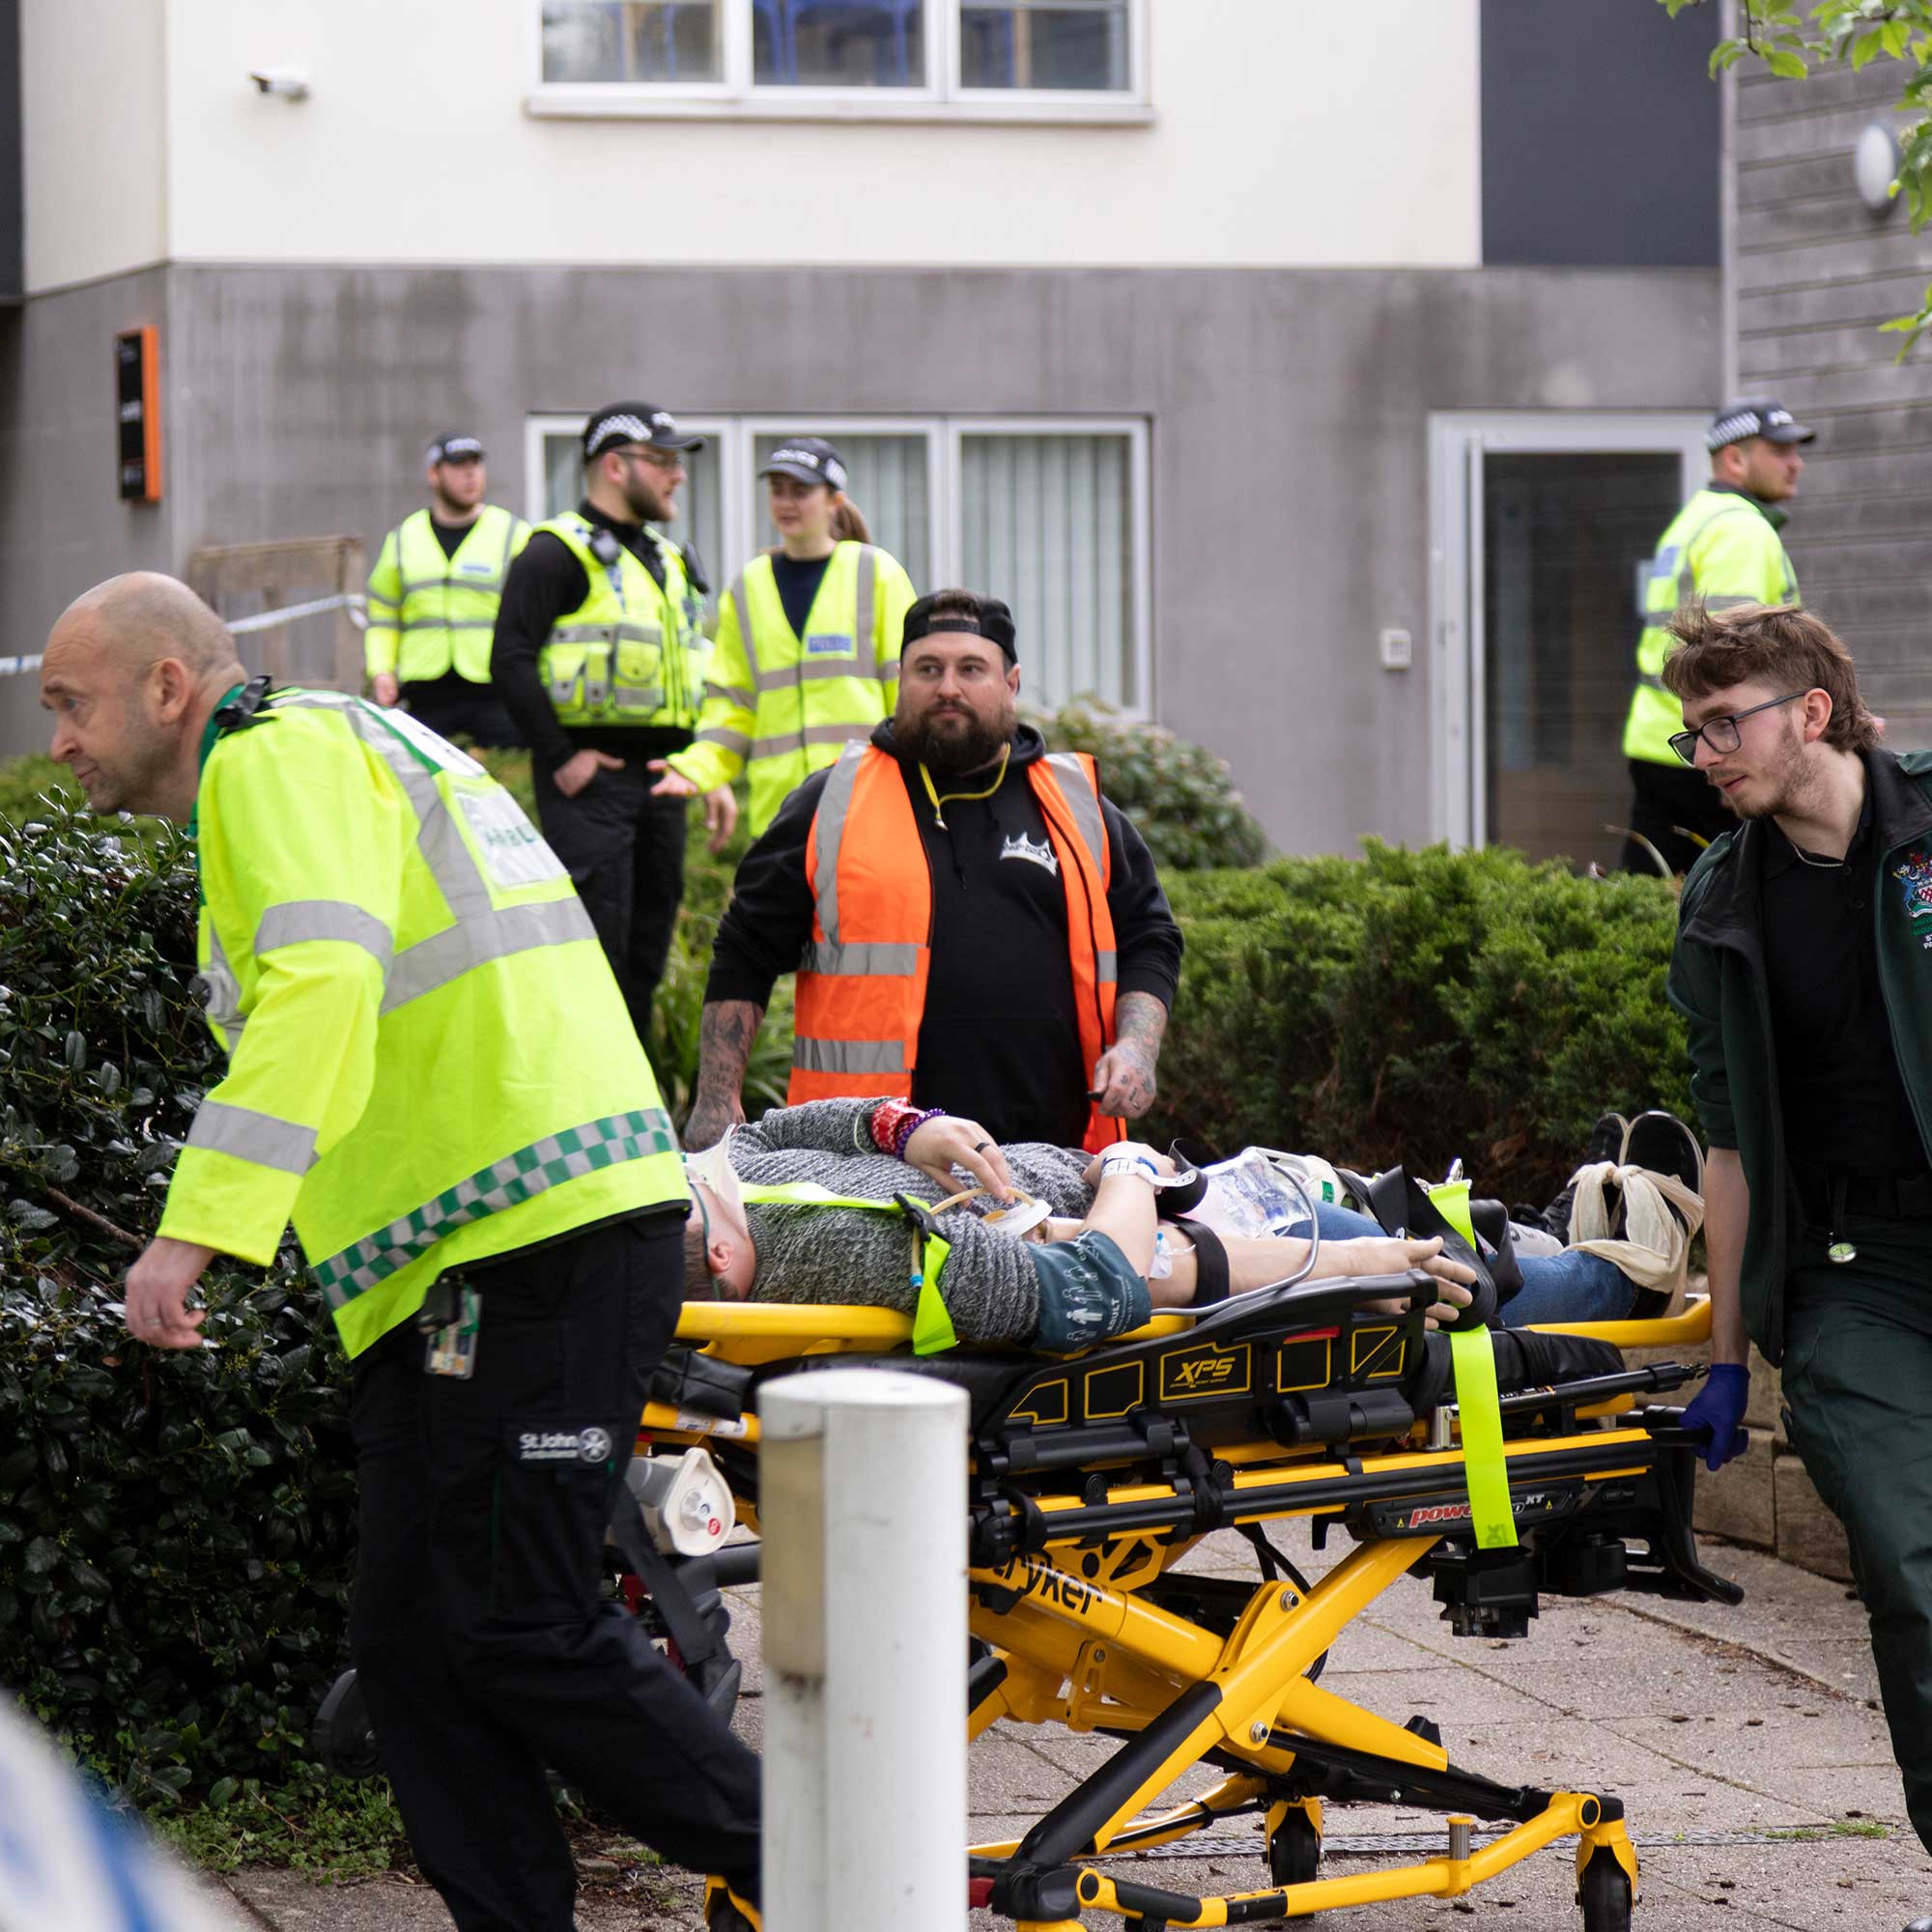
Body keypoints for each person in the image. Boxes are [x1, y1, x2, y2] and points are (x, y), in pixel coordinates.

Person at [39, 574, 761, 1932]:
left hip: (530, 1244)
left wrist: (191, 1236)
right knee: (416, 1642)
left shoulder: (269, 762)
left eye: (70, 704)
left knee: (523, 1624)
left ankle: (833, 1878)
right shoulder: (340, 746)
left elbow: (323, 984)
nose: (59, 740)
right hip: (466, 1266)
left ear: (167, 689)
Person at [1661, 602, 1932, 1923]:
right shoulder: (1725, 903)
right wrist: (1724, 1351)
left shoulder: (1930, 826)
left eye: (1728, 722)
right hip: (1853, 1274)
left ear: (1810, 713)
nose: (1707, 751)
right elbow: (1728, 1141)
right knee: (1913, 1561)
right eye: (1693, 728)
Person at [685, 588, 1182, 1154]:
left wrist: (1139, 1046)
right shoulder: (832, 803)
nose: (949, 687)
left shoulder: (1078, 807)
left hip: (1052, 1156)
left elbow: (1150, 934)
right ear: (901, 679)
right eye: (929, 669)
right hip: (867, 1162)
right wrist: (716, 1100)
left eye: (972, 668)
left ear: (1011, 683)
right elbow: (745, 949)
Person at [679, 1099, 1703, 1346]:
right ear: (723, 1256)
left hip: (1162, 1209)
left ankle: (1533, 1234)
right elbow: (1093, 1285)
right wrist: (1123, 1168)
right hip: (1172, 1248)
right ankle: (1619, 1284)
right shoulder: (846, 1260)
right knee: (1397, 1254)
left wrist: (908, 1126)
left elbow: (776, 1129)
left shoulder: (728, 1182)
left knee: (1359, 1201)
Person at [490, 402, 716, 1037]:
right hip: (593, 788)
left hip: (662, 784)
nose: (679, 475)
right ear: (616, 466)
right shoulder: (554, 553)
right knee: (595, 960)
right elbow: (508, 658)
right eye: (665, 461)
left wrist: (707, 767)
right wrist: (561, 757)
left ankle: (636, 1124)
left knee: (643, 963)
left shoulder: (668, 561)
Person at [650, 435, 917, 839]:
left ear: (834, 501)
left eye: (801, 491)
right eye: (777, 491)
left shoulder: (876, 573)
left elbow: (909, 693)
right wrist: (699, 767)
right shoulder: (748, 586)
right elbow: (732, 703)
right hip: (780, 813)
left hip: (865, 805)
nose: (786, 503)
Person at [1619, 398, 1813, 875]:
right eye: (1781, 450)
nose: (1797, 462)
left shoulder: (1693, 521)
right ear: (1735, 459)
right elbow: (1728, 660)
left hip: (1665, 740)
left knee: (1654, 896)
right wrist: (1736, 755)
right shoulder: (1739, 530)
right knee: (1717, 910)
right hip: (1705, 752)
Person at [364, 432, 529, 747]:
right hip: (425, 693)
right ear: (433, 474)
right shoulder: (403, 539)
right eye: (457, 466)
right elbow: (383, 616)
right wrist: (382, 671)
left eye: (476, 465)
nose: (470, 474)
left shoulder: (514, 534)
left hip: (494, 690)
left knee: (509, 783)